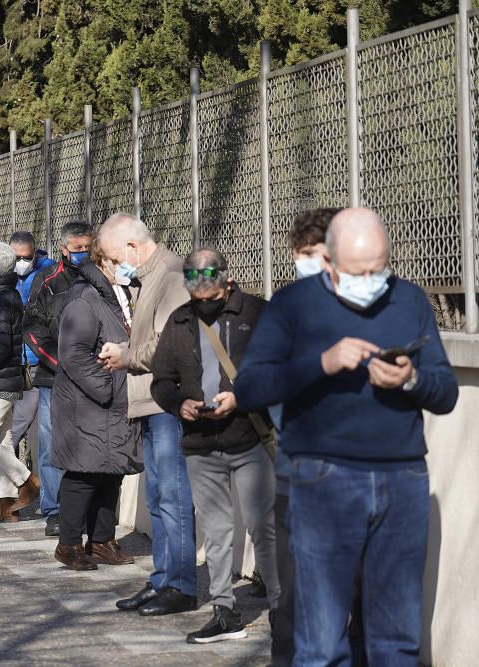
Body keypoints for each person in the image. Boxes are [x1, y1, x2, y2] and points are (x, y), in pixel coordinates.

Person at [235, 208, 458, 665]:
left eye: (380, 269)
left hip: (402, 479)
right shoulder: (294, 305)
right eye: (359, 272)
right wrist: (322, 363)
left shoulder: (411, 301)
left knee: (397, 639)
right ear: (330, 265)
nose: (372, 280)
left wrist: (412, 378)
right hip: (322, 479)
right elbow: (250, 386)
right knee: (320, 641)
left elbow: (447, 394)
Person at [149, 247, 279, 644]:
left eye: (209, 281)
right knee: (217, 532)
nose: (202, 289)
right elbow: (161, 382)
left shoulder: (255, 313)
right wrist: (179, 404)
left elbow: (278, 369)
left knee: (264, 527)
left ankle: (282, 608)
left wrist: (242, 396)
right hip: (200, 442)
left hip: (249, 438)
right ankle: (225, 611)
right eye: (194, 282)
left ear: (225, 276)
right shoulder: (180, 320)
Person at [92, 213, 198, 616]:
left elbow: (173, 344)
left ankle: (181, 586)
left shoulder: (169, 275)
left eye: (118, 256)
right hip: (151, 401)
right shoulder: (147, 277)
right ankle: (163, 579)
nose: (117, 265)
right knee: (158, 498)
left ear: (134, 247)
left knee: (172, 496)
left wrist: (126, 356)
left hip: (166, 402)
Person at [270, 206, 359, 666]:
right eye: (303, 255)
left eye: (318, 255)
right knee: (295, 600)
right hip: (300, 475)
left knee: (361, 601)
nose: (310, 264)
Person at [50, 240, 140, 570]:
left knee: (111, 471)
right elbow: (73, 353)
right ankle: (69, 543)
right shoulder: (85, 297)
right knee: (84, 471)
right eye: (120, 260)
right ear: (103, 261)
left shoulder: (120, 294)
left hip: (113, 400)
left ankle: (102, 539)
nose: (129, 267)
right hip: (89, 401)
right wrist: (106, 389)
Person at [0, 231, 53, 500]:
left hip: (9, 372)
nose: (20, 263)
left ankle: (27, 479)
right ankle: (7, 501)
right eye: (15, 257)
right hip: (8, 370)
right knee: (7, 436)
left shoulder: (36, 279)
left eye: (24, 257)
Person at [21, 222, 94, 535]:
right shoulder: (47, 280)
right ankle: (53, 510)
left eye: (87, 248)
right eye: (77, 249)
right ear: (64, 249)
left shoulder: (101, 277)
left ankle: (90, 510)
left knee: (90, 442)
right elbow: (32, 327)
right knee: (51, 443)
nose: (83, 254)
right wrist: (59, 361)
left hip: (94, 375)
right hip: (55, 376)